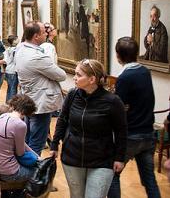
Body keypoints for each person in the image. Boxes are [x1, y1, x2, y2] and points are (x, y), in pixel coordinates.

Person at [50, 59, 126, 198]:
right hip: (72, 157)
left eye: (78, 75)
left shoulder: (113, 101)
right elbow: (62, 120)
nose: (74, 77)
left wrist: (120, 157)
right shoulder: (72, 95)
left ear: (92, 79)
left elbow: (121, 131)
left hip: (101, 160)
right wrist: (54, 144)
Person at [108, 37, 161, 198]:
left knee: (112, 175)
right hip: (148, 133)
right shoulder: (145, 71)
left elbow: (118, 109)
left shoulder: (125, 77)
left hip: (131, 135)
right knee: (149, 180)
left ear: (118, 55)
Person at [15, 22, 66, 155]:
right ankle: (32, 167)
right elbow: (61, 75)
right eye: (43, 33)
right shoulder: (36, 56)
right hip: (40, 103)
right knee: (36, 143)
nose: (46, 34)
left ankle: (25, 164)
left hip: (28, 99)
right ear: (36, 36)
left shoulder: (20, 48)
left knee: (28, 139)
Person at [0, 94, 38, 183]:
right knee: (39, 171)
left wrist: (36, 156)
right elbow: (20, 153)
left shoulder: (3, 116)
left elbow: (20, 143)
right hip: (8, 172)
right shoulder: (20, 125)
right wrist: (36, 158)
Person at [4, 35, 19, 102]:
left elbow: (6, 60)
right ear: (14, 41)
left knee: (9, 88)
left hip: (8, 70)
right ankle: (11, 104)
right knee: (13, 89)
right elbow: (16, 61)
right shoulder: (15, 50)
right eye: (17, 39)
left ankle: (7, 103)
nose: (18, 39)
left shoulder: (8, 49)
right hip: (13, 71)